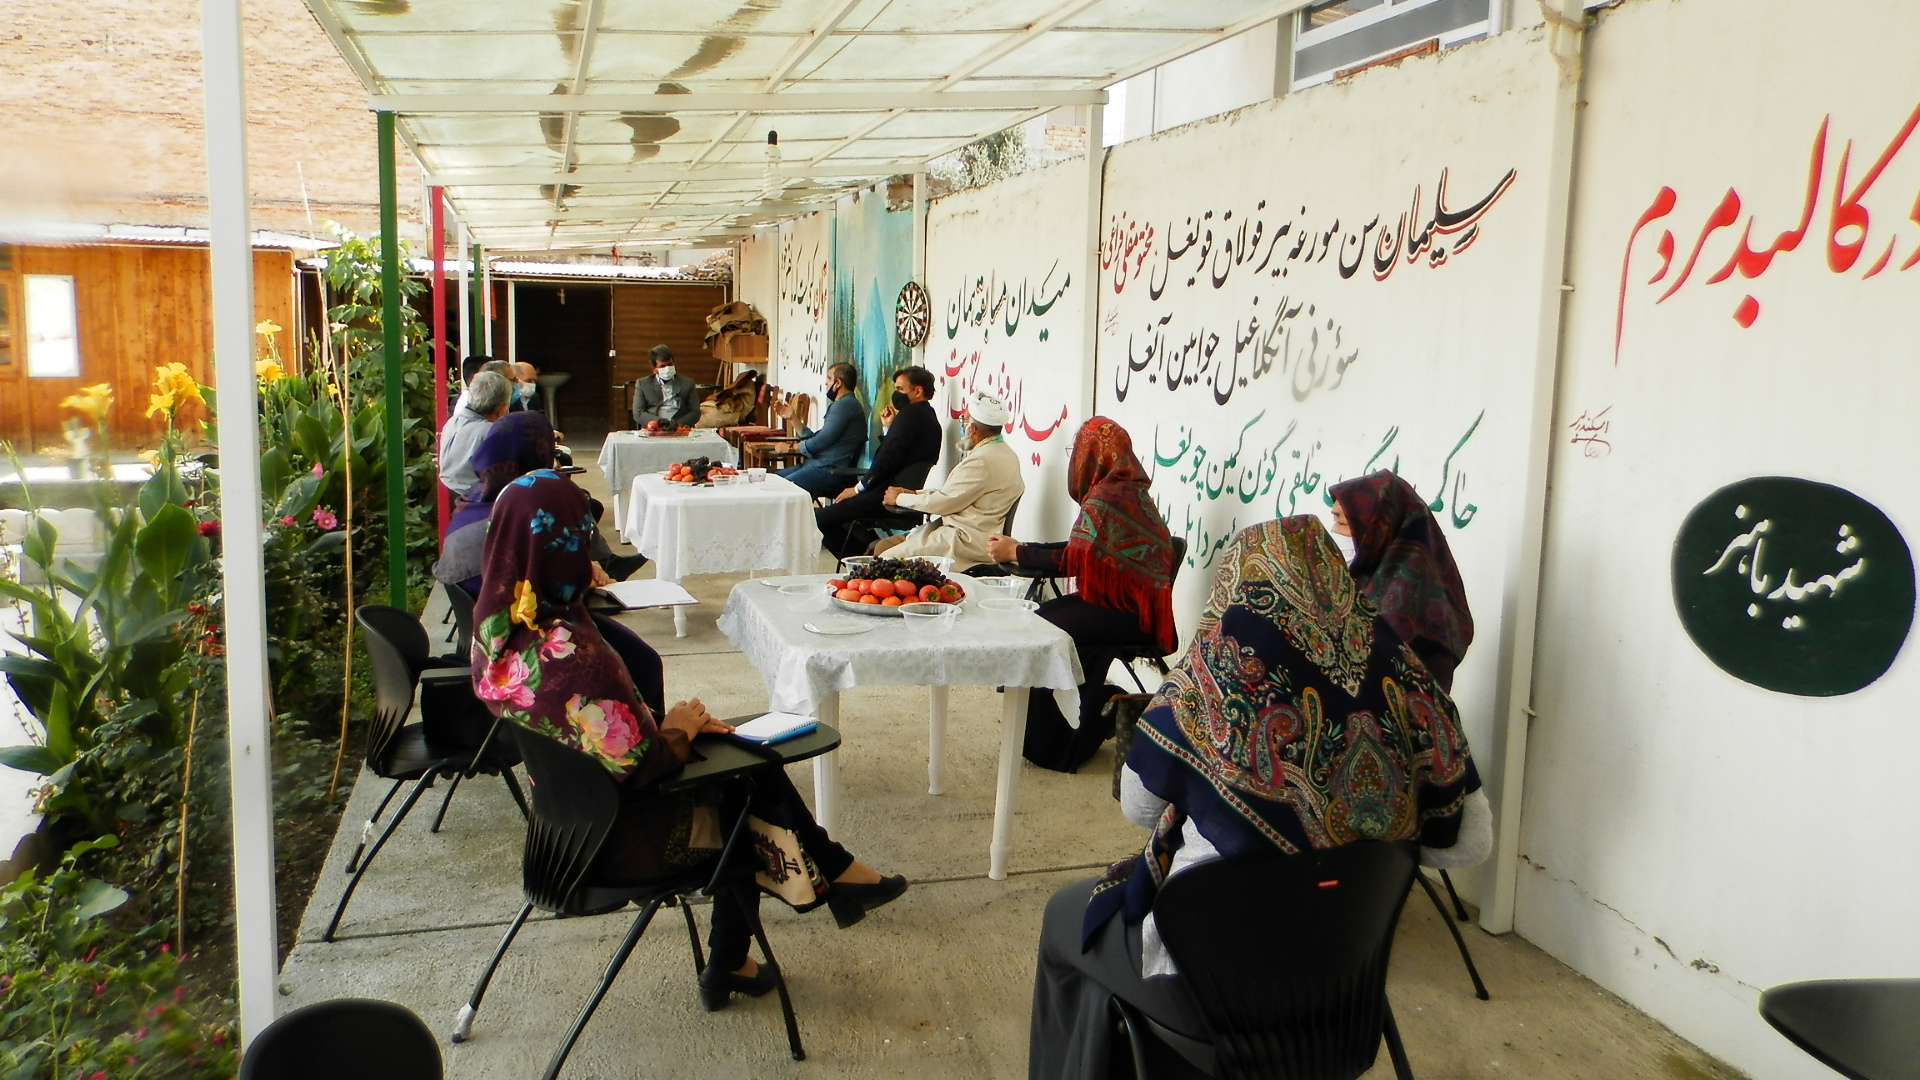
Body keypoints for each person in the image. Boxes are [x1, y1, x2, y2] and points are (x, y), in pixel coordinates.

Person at [1028, 516, 1491, 1080]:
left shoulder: (1208, 682)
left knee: (1066, 917)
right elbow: (1467, 846)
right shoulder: (1409, 680)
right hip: (1339, 994)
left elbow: (1140, 808)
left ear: (1235, 584)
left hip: (1212, 993)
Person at [470, 471, 908, 1008]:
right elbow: (646, 764)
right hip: (622, 845)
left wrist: (677, 727)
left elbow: (589, 739)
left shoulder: (496, 634)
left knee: (742, 765)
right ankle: (769, 928)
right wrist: (678, 726)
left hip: (561, 835)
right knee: (746, 789)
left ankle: (821, 888)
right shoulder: (573, 653)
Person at [983, 417, 1177, 771]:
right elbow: (1081, 551)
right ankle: (1085, 721)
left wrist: (1016, 552)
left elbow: (1074, 559)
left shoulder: (1109, 497)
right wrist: (1021, 548)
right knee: (1045, 621)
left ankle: (1059, 745)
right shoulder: (1129, 492)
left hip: (1127, 614)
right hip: (1127, 607)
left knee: (1042, 630)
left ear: (1092, 454)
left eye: (1079, 450)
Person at [1328, 469, 1474, 691]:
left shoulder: (1411, 602)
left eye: (1342, 523)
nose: (1332, 532)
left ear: (1378, 529)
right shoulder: (1359, 584)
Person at [875, 392, 1024, 570]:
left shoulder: (982, 460)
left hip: (964, 541)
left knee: (883, 562)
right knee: (883, 548)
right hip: (964, 534)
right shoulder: (1004, 453)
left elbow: (942, 503)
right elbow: (954, 493)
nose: (963, 425)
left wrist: (899, 498)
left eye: (964, 419)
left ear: (972, 428)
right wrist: (914, 493)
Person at [815, 366, 941, 559]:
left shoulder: (910, 414)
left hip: (888, 496)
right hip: (897, 495)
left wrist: (858, 489)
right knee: (840, 511)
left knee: (818, 519)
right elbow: (899, 452)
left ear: (917, 391)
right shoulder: (927, 415)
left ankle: (861, 561)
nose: (895, 394)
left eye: (900, 389)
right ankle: (870, 549)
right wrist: (889, 429)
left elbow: (886, 460)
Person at [773, 363, 867, 498]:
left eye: (829, 378)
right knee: (772, 480)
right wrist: (793, 418)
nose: (826, 383)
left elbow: (821, 440)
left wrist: (791, 448)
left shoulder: (845, 405)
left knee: (779, 489)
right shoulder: (843, 405)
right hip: (815, 465)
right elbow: (816, 438)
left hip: (829, 469)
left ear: (838, 383)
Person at [438, 370, 511, 498]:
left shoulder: (453, 421)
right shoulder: (490, 432)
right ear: (502, 409)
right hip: (473, 499)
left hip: (446, 493)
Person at [631, 345, 701, 429]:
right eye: (663, 366)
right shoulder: (643, 384)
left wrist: (676, 424)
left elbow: (695, 412)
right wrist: (661, 423)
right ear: (654, 369)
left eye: (670, 364)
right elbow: (638, 413)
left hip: (680, 428)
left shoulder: (687, 383)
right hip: (654, 428)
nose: (667, 368)